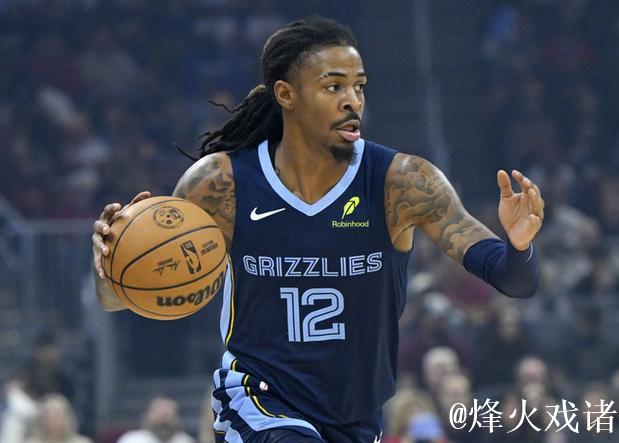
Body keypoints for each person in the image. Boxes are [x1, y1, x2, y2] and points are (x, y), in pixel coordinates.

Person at [91, 17, 544, 443]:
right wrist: (111, 265)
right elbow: (123, 297)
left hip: (357, 416)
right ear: (286, 94)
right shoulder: (221, 183)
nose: (353, 101)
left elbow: (515, 280)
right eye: (333, 86)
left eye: (359, 86)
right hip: (258, 402)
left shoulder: (401, 182)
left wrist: (519, 244)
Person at [117, 397, 195, 443]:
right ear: (147, 415)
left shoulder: (186, 441)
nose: (164, 421)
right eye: (160, 415)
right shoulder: (132, 440)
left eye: (168, 415)